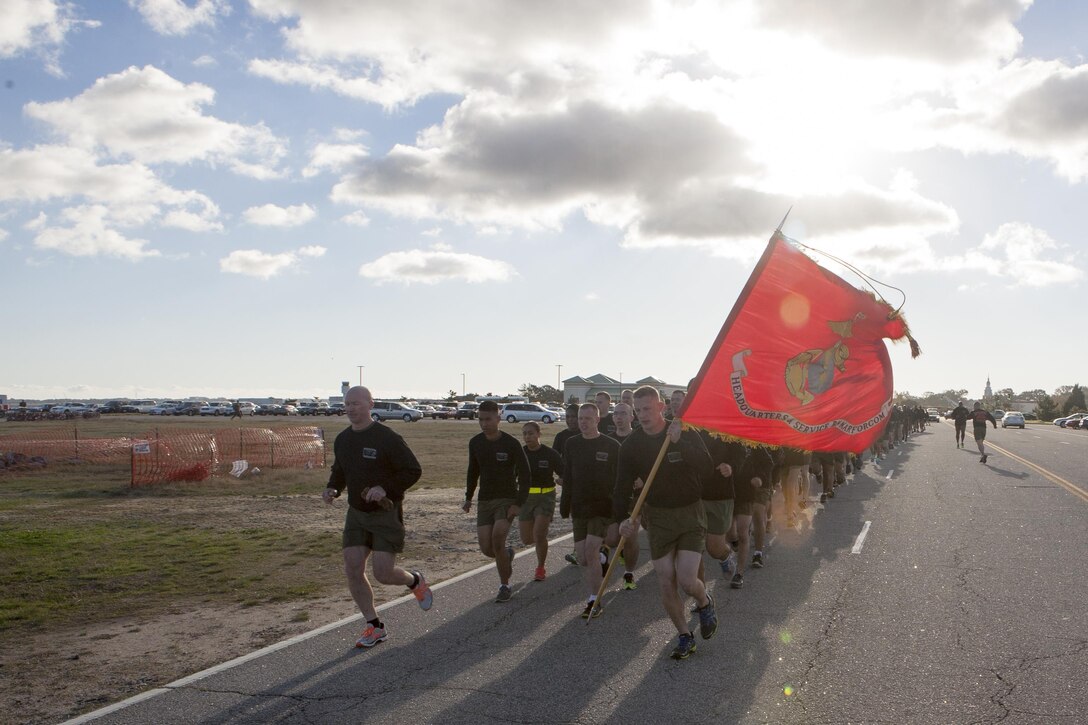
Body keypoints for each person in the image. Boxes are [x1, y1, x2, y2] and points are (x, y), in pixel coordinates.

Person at [322, 386, 432, 648]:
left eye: (356, 404)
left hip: (385, 513)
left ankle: (414, 580)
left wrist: (386, 488)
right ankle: (374, 625)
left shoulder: (387, 437)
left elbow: (413, 470)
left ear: (370, 404)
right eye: (347, 404)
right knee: (352, 567)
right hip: (356, 514)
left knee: (383, 573)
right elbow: (340, 471)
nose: (350, 409)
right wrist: (333, 489)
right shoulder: (343, 439)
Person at [615, 385, 717, 660]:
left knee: (686, 579)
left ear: (662, 407)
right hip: (657, 517)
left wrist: (679, 443)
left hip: (689, 513)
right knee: (665, 580)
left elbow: (707, 467)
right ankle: (684, 635)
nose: (643, 415)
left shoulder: (682, 430)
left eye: (648, 408)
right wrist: (623, 518)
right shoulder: (632, 445)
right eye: (638, 410)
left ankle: (705, 601)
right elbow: (621, 486)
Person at [464, 400, 531, 602]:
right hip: (485, 500)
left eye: (488, 419)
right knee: (487, 549)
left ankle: (504, 585)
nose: (484, 424)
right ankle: (507, 555)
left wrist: (518, 503)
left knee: (497, 538)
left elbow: (526, 474)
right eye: (481, 419)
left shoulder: (511, 443)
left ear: (498, 418)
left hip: (507, 499)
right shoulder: (475, 442)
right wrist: (468, 497)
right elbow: (472, 471)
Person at [560, 404, 621, 618]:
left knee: (590, 552)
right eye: (580, 418)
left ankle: (595, 600)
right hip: (579, 506)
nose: (583, 422)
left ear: (597, 419)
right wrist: (564, 504)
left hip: (602, 507)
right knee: (583, 558)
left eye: (588, 418)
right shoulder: (572, 443)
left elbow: (619, 478)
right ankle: (602, 561)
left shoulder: (611, 445)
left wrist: (619, 507)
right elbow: (568, 475)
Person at [519, 421, 563, 582]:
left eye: (530, 433)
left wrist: (562, 480)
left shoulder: (550, 454)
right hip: (525, 498)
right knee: (526, 539)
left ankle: (540, 567)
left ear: (538, 434)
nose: (527, 436)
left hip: (546, 498)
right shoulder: (520, 453)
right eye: (524, 433)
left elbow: (563, 472)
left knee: (538, 535)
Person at [610, 402, 640, 589]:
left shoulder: (639, 440)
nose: (619, 417)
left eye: (623, 413)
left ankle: (629, 573)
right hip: (615, 495)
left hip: (636, 496)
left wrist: (642, 479)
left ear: (632, 417)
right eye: (616, 414)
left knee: (631, 537)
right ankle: (619, 551)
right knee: (612, 538)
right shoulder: (608, 441)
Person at [552, 403, 582, 565]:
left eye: (574, 417)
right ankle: (578, 550)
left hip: (587, 484)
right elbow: (554, 459)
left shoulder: (586, 435)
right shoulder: (561, 437)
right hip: (569, 485)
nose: (571, 420)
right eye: (568, 416)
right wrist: (561, 477)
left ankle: (595, 546)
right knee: (575, 517)